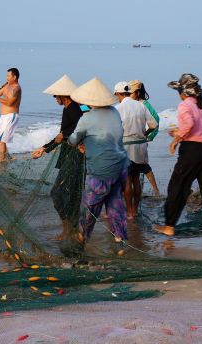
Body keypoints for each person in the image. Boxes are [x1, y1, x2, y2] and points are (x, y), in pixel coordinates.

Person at [154, 74, 202, 238]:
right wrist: (178, 132)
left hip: (191, 151)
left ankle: (169, 226)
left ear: (183, 93)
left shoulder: (184, 105)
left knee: (177, 186)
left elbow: (190, 124)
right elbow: (197, 128)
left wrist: (176, 139)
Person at [68, 77, 129, 245]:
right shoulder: (114, 111)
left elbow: (73, 140)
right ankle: (120, 237)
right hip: (121, 166)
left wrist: (80, 142)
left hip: (101, 170)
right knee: (115, 202)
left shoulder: (87, 118)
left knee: (89, 206)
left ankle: (82, 237)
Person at [31, 75, 84, 240]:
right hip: (69, 154)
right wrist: (44, 149)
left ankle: (70, 229)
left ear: (64, 95)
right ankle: (70, 229)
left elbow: (81, 128)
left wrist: (64, 135)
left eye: (56, 96)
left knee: (59, 193)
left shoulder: (75, 108)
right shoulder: (69, 108)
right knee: (70, 193)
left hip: (75, 155)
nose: (55, 99)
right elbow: (62, 135)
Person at [114, 82, 157, 219]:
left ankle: (129, 212)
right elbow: (153, 125)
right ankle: (136, 210)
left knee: (127, 180)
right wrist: (144, 133)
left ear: (119, 93)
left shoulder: (118, 108)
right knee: (136, 179)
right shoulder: (140, 105)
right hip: (141, 146)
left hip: (125, 146)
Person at [128, 80, 160, 196]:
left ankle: (156, 191)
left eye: (130, 92)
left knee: (144, 167)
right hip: (133, 142)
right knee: (135, 169)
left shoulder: (143, 104)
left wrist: (147, 135)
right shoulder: (129, 103)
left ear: (137, 92)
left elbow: (155, 119)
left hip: (138, 142)